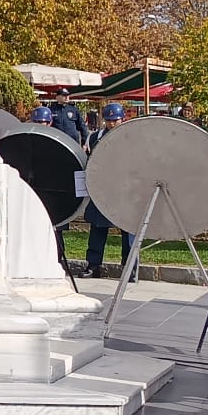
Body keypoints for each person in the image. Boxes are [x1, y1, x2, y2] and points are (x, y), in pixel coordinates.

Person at [83, 102, 137, 281]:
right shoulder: (96, 137)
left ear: (123, 119)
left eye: (115, 120)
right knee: (98, 228)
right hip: (103, 189)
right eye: (109, 120)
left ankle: (130, 268)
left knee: (128, 230)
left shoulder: (132, 137)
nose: (112, 124)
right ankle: (93, 265)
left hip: (126, 189)